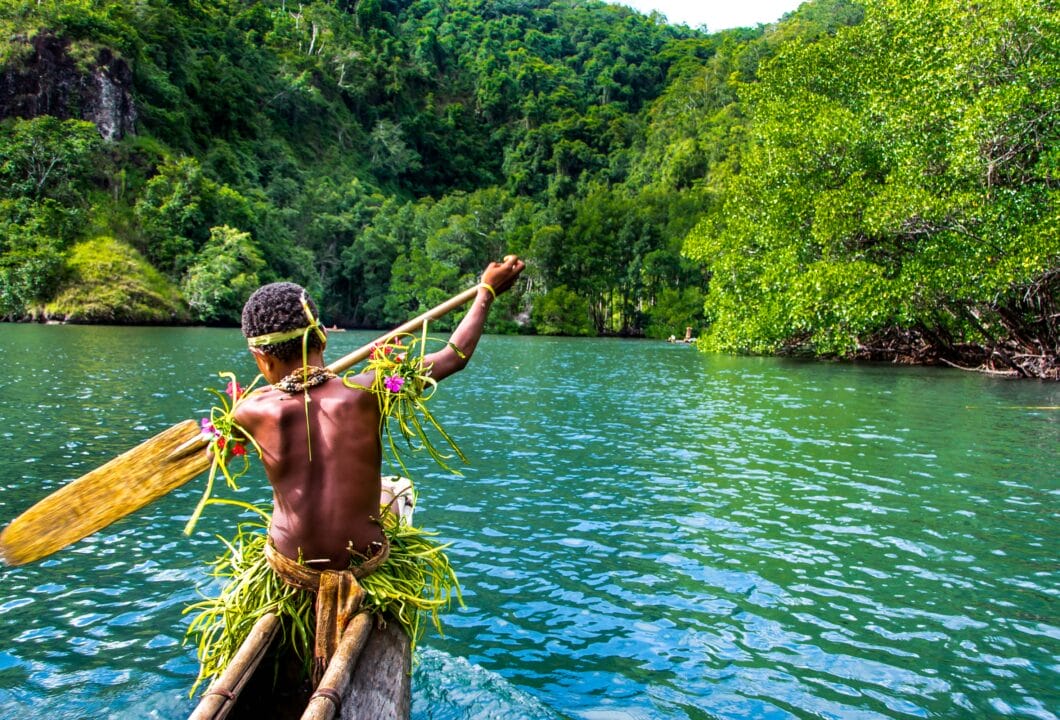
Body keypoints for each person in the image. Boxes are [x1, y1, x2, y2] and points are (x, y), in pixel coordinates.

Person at [187, 256, 524, 693]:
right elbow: (453, 356)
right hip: (365, 568)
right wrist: (486, 292)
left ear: (258, 357)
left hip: (290, 571)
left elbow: (247, 420)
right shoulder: (368, 390)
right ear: (323, 335)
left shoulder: (248, 412)